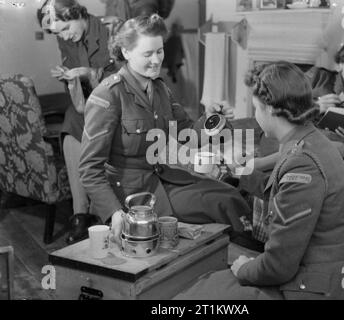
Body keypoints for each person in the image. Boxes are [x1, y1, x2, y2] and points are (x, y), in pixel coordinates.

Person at [175, 61, 344, 300]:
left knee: (196, 294)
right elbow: (282, 195)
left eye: (255, 108)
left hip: (317, 288)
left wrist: (243, 267)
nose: (255, 115)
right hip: (330, 276)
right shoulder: (311, 140)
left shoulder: (303, 164)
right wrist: (236, 172)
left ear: (269, 109)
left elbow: (278, 266)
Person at [79, 14, 254, 247]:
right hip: (132, 196)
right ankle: (251, 258)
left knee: (228, 192)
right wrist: (114, 212)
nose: (156, 60)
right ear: (126, 52)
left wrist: (212, 118)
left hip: (163, 177)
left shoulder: (160, 89)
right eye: (147, 54)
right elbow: (89, 169)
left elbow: (188, 134)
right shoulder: (108, 95)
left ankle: (250, 257)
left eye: (159, 51)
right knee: (222, 202)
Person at [37, 0, 123, 244]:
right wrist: (69, 77)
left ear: (75, 13)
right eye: (58, 33)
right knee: (71, 123)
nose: (64, 36)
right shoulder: (64, 37)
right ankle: (80, 214)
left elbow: (122, 77)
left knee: (86, 125)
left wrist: (86, 72)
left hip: (116, 103)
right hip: (88, 104)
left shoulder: (109, 30)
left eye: (65, 29)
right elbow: (76, 89)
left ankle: (96, 212)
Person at [254, 37, 344, 174]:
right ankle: (261, 164)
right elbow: (280, 102)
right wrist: (314, 106)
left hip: (330, 145)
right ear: (340, 65)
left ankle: (272, 165)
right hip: (296, 132)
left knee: (342, 148)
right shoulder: (317, 76)